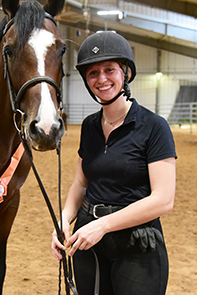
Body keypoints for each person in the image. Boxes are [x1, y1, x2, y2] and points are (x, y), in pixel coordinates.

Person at [51, 31, 176, 295]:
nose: (102, 79)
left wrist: (103, 225)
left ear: (125, 74)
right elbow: (80, 183)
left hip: (136, 244)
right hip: (88, 242)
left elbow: (163, 199)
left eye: (109, 70)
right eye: (93, 73)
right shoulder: (90, 126)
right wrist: (64, 221)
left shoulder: (154, 127)